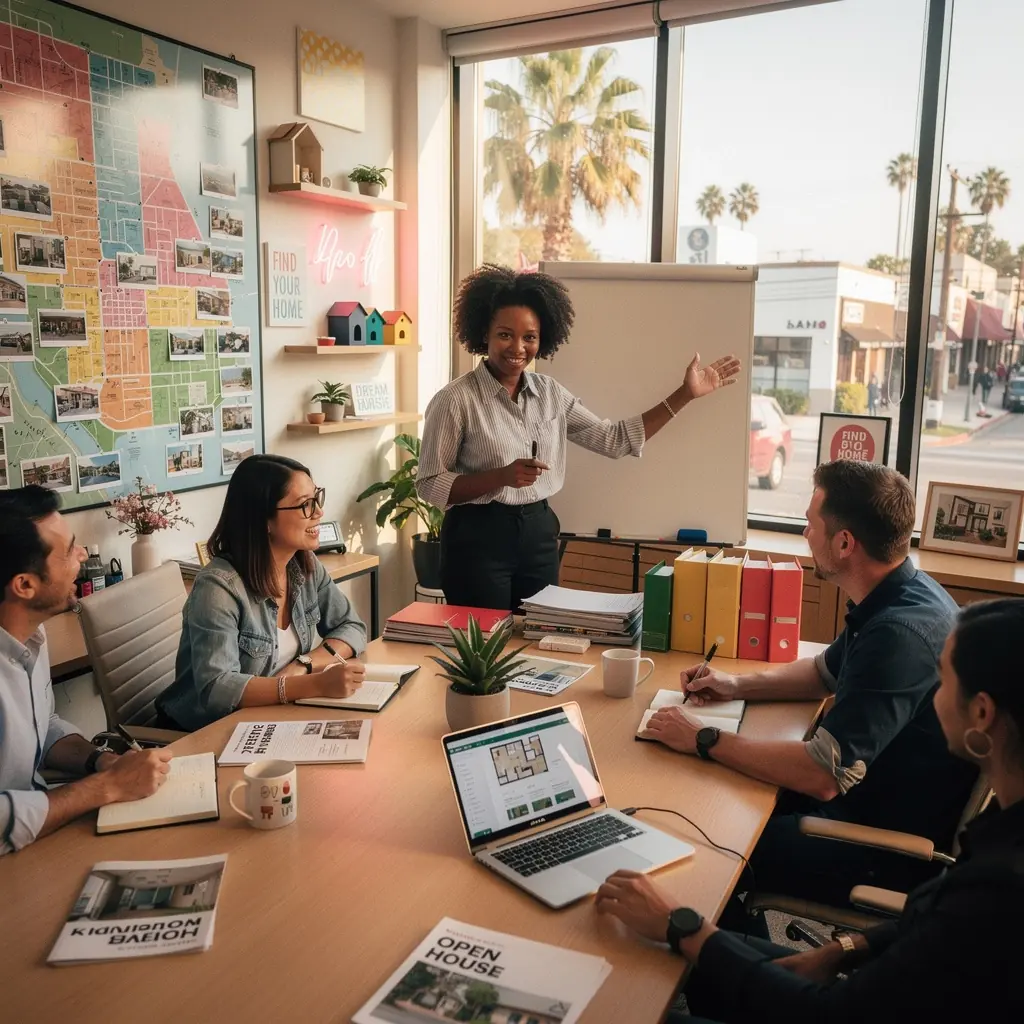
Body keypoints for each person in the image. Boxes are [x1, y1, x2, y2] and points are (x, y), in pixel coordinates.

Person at [597, 598, 1024, 1022]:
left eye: (942, 681)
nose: (931, 696)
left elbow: (825, 1013)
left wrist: (685, 926)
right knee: (699, 956)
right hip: (874, 981)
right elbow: (931, 921)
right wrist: (846, 949)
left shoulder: (998, 889)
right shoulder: (1003, 830)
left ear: (982, 713)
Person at [643, 461, 978, 920]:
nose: (804, 533)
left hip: (881, 848)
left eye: (809, 523)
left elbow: (823, 775)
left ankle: (744, 971)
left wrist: (703, 737)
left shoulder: (897, 635)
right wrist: (732, 684)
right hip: (868, 803)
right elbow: (822, 673)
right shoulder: (905, 594)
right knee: (723, 797)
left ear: (844, 543)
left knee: (711, 839)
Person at [417, 264, 741, 610]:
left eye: (530, 337)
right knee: (485, 647)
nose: (518, 347)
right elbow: (430, 483)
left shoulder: (551, 394)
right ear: (484, 333)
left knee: (539, 639)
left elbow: (614, 439)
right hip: (477, 539)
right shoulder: (455, 400)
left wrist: (684, 394)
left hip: (538, 535)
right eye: (505, 334)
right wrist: (501, 477)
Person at [0, 487, 171, 855]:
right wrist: (106, 788)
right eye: (69, 550)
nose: (82, 556)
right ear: (25, 585)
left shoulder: (31, 634)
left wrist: (103, 762)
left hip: (41, 830)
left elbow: (41, 727)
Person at [157, 455, 368, 731]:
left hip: (270, 720)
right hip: (207, 732)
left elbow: (352, 627)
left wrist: (303, 666)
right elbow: (217, 689)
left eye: (317, 499)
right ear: (264, 521)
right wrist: (312, 684)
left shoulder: (304, 565)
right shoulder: (218, 587)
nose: (319, 513)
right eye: (305, 505)